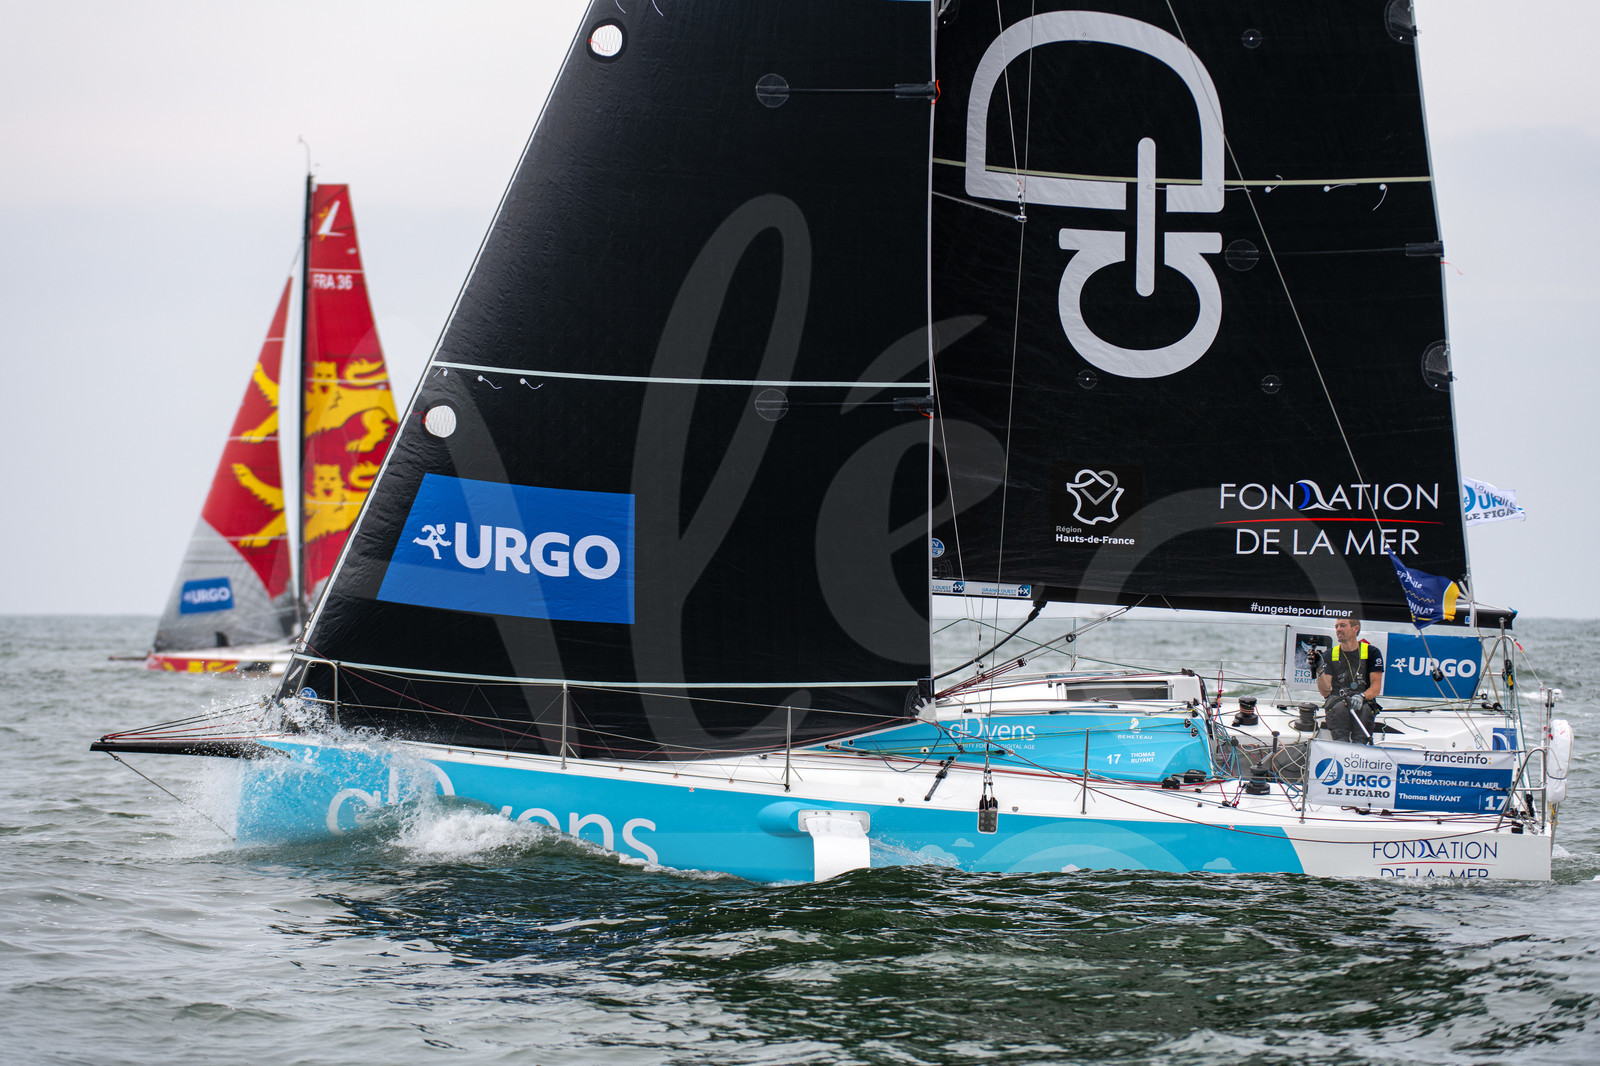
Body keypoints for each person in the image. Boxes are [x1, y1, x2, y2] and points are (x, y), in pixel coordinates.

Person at [1317, 617, 1383, 743]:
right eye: (1336, 626)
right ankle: (1341, 745)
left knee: (1365, 710)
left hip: (1363, 699)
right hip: (1339, 701)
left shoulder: (1372, 652)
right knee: (1339, 708)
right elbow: (1325, 692)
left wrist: (1362, 696)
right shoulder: (1330, 654)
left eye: (1342, 625)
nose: (1338, 629)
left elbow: (1375, 687)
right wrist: (1319, 671)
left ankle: (1360, 746)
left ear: (1355, 628)